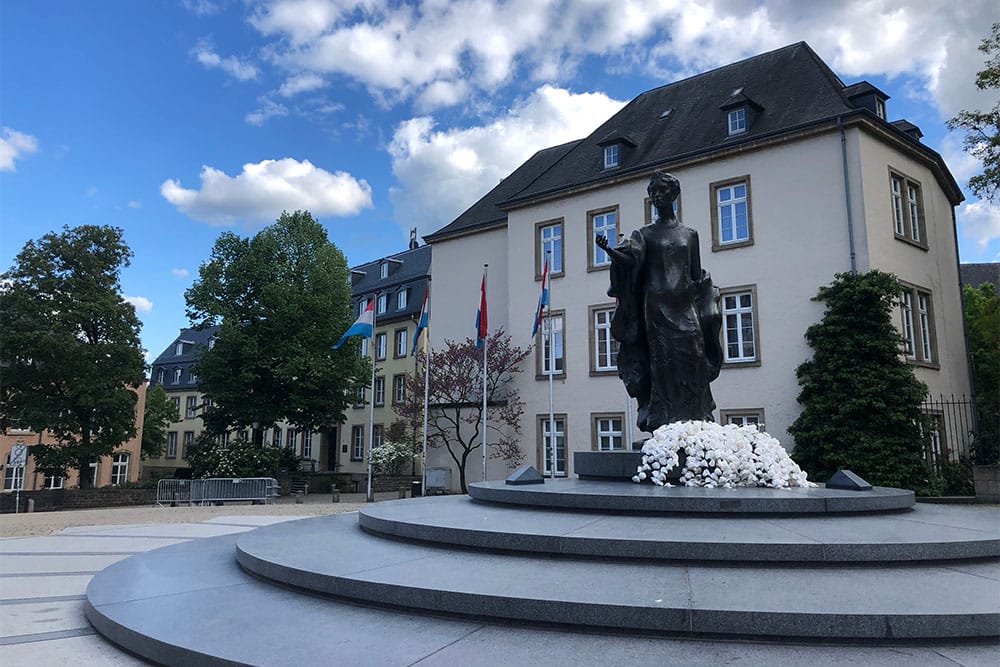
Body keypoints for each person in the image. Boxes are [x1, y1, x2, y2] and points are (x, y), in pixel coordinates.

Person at [596, 172, 723, 434]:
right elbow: (630, 260)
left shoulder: (690, 234)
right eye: (653, 192)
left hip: (685, 305)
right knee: (662, 363)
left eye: (662, 191)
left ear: (673, 195)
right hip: (656, 307)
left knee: (694, 356)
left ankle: (698, 416)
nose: (657, 196)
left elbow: (696, 274)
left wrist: (708, 304)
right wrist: (610, 252)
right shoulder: (644, 234)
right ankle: (664, 419)